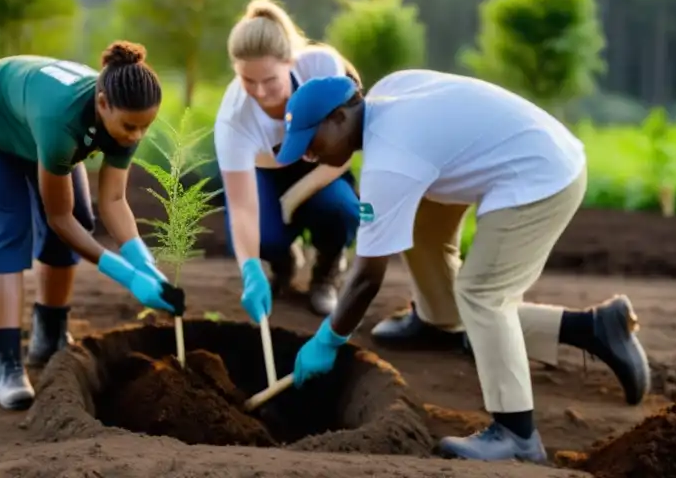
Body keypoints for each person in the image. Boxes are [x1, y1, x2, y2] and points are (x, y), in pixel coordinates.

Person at [275, 71, 651, 463]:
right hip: (528, 148)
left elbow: (367, 277)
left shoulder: (389, 162)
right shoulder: (387, 93)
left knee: (483, 295)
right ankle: (442, 318)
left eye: (310, 142)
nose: (308, 155)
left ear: (338, 118)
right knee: (421, 228)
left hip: (541, 177)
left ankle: (516, 436)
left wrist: (328, 339)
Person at [0, 42, 183, 411]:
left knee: (83, 217)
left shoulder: (126, 113)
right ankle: (7, 365)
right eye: (130, 127)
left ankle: (49, 337)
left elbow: (114, 202)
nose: (136, 136)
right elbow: (58, 219)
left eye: (145, 127)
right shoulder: (62, 121)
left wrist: (147, 266)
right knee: (10, 227)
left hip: (28, 129)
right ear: (102, 104)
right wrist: (127, 276)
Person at [215, 0, 362, 320]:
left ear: (290, 62)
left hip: (322, 166)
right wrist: (250, 269)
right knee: (261, 237)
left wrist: (293, 198)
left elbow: (343, 151)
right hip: (264, 174)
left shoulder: (321, 68)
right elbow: (240, 207)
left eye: (270, 80)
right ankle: (284, 262)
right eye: (247, 81)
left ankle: (326, 272)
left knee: (341, 209)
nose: (260, 92)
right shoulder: (234, 118)